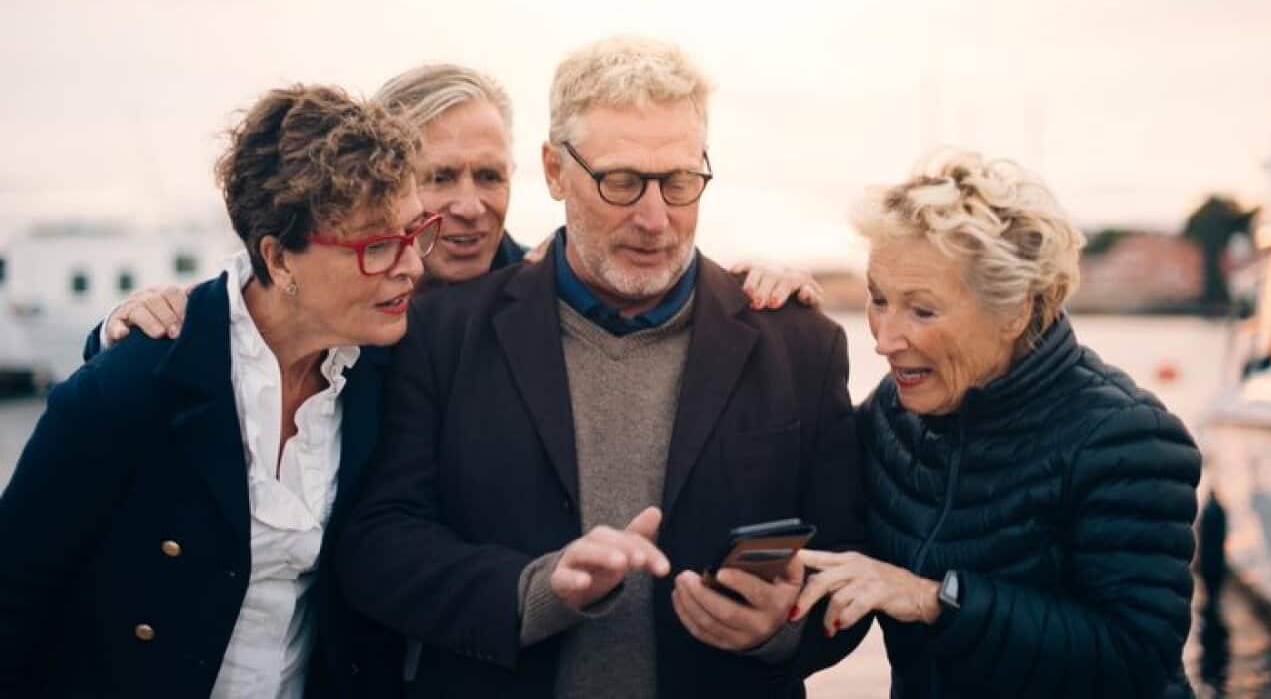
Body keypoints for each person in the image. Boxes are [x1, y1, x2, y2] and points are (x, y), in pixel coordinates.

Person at [336, 35, 866, 699]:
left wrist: (777, 631)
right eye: (620, 182)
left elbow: (848, 566)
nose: (654, 218)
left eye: (678, 182)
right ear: (555, 172)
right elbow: (378, 547)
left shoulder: (800, 344)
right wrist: (535, 590)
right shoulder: (438, 334)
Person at [0, 85, 431, 698]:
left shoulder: (382, 371)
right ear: (279, 260)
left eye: (416, 233)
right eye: (378, 246)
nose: (412, 265)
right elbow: (13, 597)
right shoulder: (130, 389)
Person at [790, 150, 1201, 698]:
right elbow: (811, 504)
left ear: (1014, 311)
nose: (884, 338)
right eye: (878, 299)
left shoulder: (1130, 438)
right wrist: (766, 313)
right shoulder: (893, 415)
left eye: (922, 311)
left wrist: (936, 599)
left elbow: (1135, 656)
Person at [89, 64, 822, 349]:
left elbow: (647, 272)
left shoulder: (536, 283)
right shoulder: (325, 293)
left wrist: (747, 283)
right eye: (440, 179)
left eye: (489, 176)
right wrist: (127, 320)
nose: (469, 208)